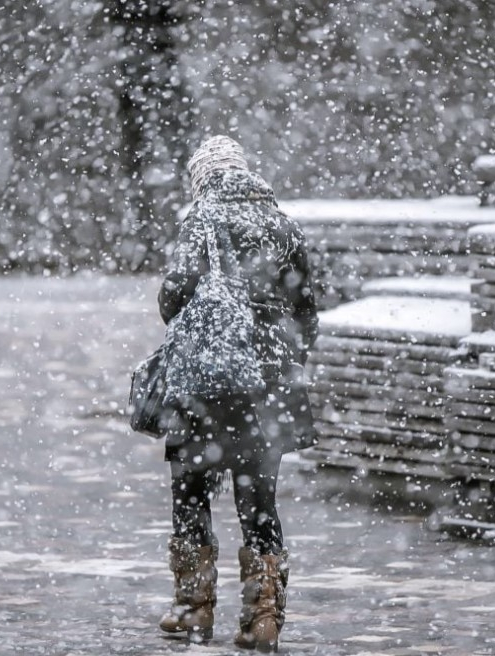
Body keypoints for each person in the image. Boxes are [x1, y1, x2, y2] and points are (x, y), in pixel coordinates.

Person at [155, 135, 318, 652]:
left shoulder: (200, 220)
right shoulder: (282, 224)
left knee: (190, 489)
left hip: (204, 383)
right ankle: (263, 617)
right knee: (259, 500)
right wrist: (280, 365)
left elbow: (172, 298)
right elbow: (306, 312)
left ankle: (193, 608)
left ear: (200, 178)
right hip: (263, 389)